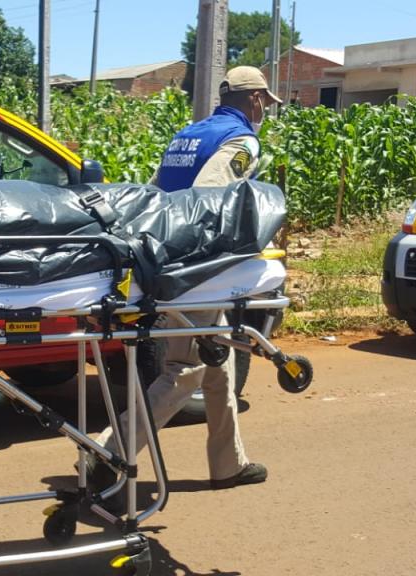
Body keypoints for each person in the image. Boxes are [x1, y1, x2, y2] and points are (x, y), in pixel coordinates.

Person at [89, 66, 282, 491]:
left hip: (168, 256)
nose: (265, 111)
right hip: (197, 267)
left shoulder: (188, 135)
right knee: (186, 369)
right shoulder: (241, 140)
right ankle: (110, 450)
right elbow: (209, 198)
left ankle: (229, 463)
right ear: (254, 99)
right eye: (265, 103)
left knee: (218, 361)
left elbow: (155, 192)